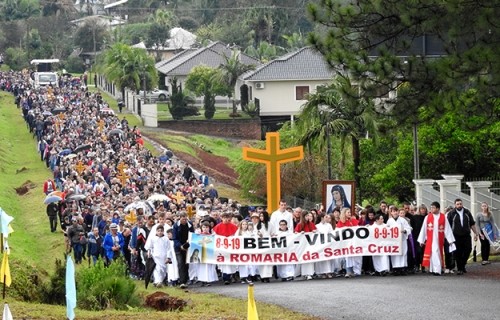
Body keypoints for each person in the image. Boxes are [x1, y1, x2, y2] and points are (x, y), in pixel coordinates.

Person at [417, 202, 455, 275]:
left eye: (433, 207)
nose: (431, 209)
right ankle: (433, 269)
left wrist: (450, 240)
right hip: (430, 239)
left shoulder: (443, 217)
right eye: (431, 207)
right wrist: (421, 240)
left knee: (436, 252)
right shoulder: (427, 217)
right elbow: (424, 229)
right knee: (432, 253)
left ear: (438, 208)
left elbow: (447, 229)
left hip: (439, 239)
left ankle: (437, 270)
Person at [447, 199, 478, 275]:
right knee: (458, 252)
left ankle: (463, 264)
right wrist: (449, 237)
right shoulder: (451, 213)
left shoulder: (467, 212)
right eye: (457, 204)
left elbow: (472, 224)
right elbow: (448, 226)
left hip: (466, 235)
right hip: (456, 236)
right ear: (455, 205)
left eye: (460, 204)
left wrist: (476, 233)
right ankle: (460, 268)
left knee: (468, 250)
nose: (459, 205)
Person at [213, 212, 238, 285]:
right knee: (224, 263)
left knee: (231, 262)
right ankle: (226, 278)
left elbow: (236, 236)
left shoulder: (233, 226)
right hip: (222, 248)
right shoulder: (218, 227)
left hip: (231, 247)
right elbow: (214, 236)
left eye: (227, 218)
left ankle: (232, 276)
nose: (226, 219)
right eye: (224, 218)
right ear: (221, 218)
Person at [387, 207, 412, 275]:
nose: (395, 213)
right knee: (394, 254)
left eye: (396, 211)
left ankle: (402, 269)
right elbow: (387, 230)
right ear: (391, 213)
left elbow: (408, 228)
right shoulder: (389, 221)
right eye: (393, 211)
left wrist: (404, 231)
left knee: (403, 253)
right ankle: (395, 269)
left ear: (398, 212)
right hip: (394, 241)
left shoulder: (402, 220)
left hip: (402, 240)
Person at [172, 212, 194, 288]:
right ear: (180, 218)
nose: (184, 220)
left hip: (187, 246)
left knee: (186, 263)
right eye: (183, 219)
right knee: (180, 263)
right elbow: (174, 238)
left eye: (185, 219)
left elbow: (192, 234)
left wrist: (189, 241)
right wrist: (180, 246)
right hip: (178, 247)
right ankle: (182, 281)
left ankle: (185, 280)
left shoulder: (190, 225)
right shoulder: (175, 226)